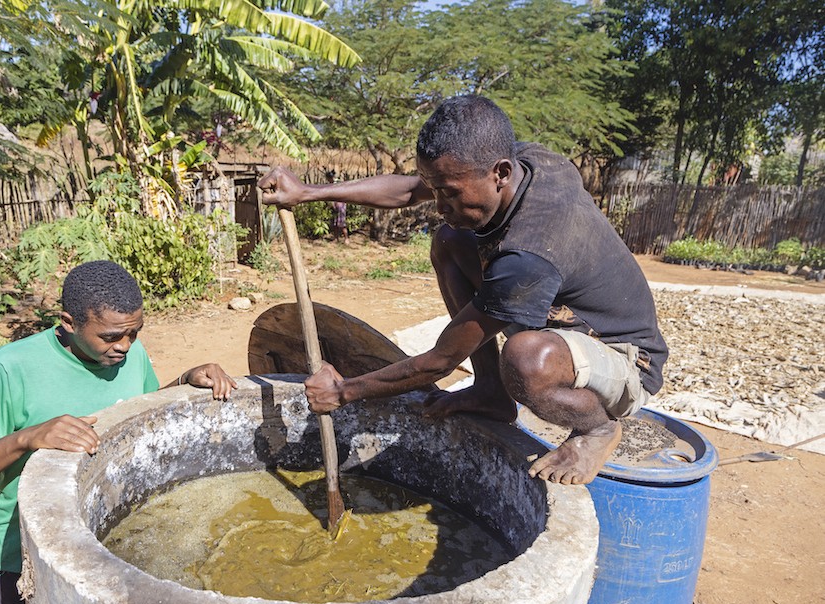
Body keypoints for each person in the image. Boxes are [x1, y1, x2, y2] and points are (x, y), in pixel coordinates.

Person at [258, 95, 667, 486]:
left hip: (625, 360)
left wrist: (344, 391)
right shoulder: (521, 161)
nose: (438, 205)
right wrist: (308, 192)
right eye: (435, 189)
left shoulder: (530, 253)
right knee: (450, 239)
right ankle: (490, 390)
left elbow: (441, 360)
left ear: (500, 173)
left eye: (449, 193)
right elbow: (407, 190)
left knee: (525, 358)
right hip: (561, 327)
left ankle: (596, 429)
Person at [0, 260, 237, 604]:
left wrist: (183, 381)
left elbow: (133, 415)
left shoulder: (129, 354)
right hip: (22, 555)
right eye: (111, 337)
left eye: (134, 333)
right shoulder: (12, 367)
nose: (124, 346)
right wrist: (27, 437)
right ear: (69, 323)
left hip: (106, 549)